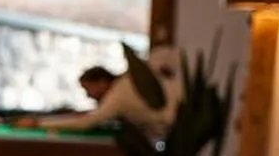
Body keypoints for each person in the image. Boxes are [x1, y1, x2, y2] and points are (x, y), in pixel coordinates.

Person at [20, 48, 183, 132]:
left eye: (88, 89)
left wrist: (38, 124)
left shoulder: (118, 95)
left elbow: (86, 123)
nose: (88, 95)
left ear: (102, 82)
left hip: (180, 122)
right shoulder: (130, 79)